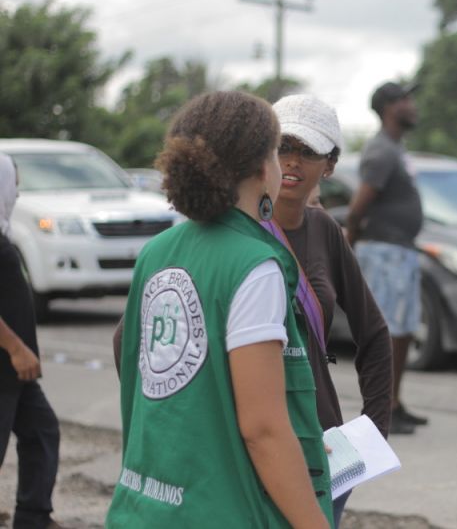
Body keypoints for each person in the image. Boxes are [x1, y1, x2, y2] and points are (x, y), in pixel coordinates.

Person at [105, 91, 332, 528]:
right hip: (220, 511)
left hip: (143, 509)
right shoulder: (255, 265)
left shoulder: (157, 251)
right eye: (276, 150)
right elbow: (262, 430)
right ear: (261, 167)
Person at [270, 94, 393, 526]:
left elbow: (375, 334)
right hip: (253, 445)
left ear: (330, 165)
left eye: (308, 152)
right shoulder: (234, 229)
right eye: (283, 146)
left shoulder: (324, 229)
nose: (292, 162)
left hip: (322, 449)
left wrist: (374, 427)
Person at [345, 81, 426, 435]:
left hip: (401, 251)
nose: (412, 105)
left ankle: (394, 403)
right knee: (387, 331)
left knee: (404, 329)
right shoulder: (381, 151)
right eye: (406, 100)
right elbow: (358, 207)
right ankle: (380, 410)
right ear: (390, 108)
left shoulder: (396, 148)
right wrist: (348, 246)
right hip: (384, 252)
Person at [0, 153, 64, 529]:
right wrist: (15, 347)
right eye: (14, 186)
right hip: (7, 362)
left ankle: (33, 517)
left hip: (16, 370)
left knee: (42, 432)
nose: (18, 194)